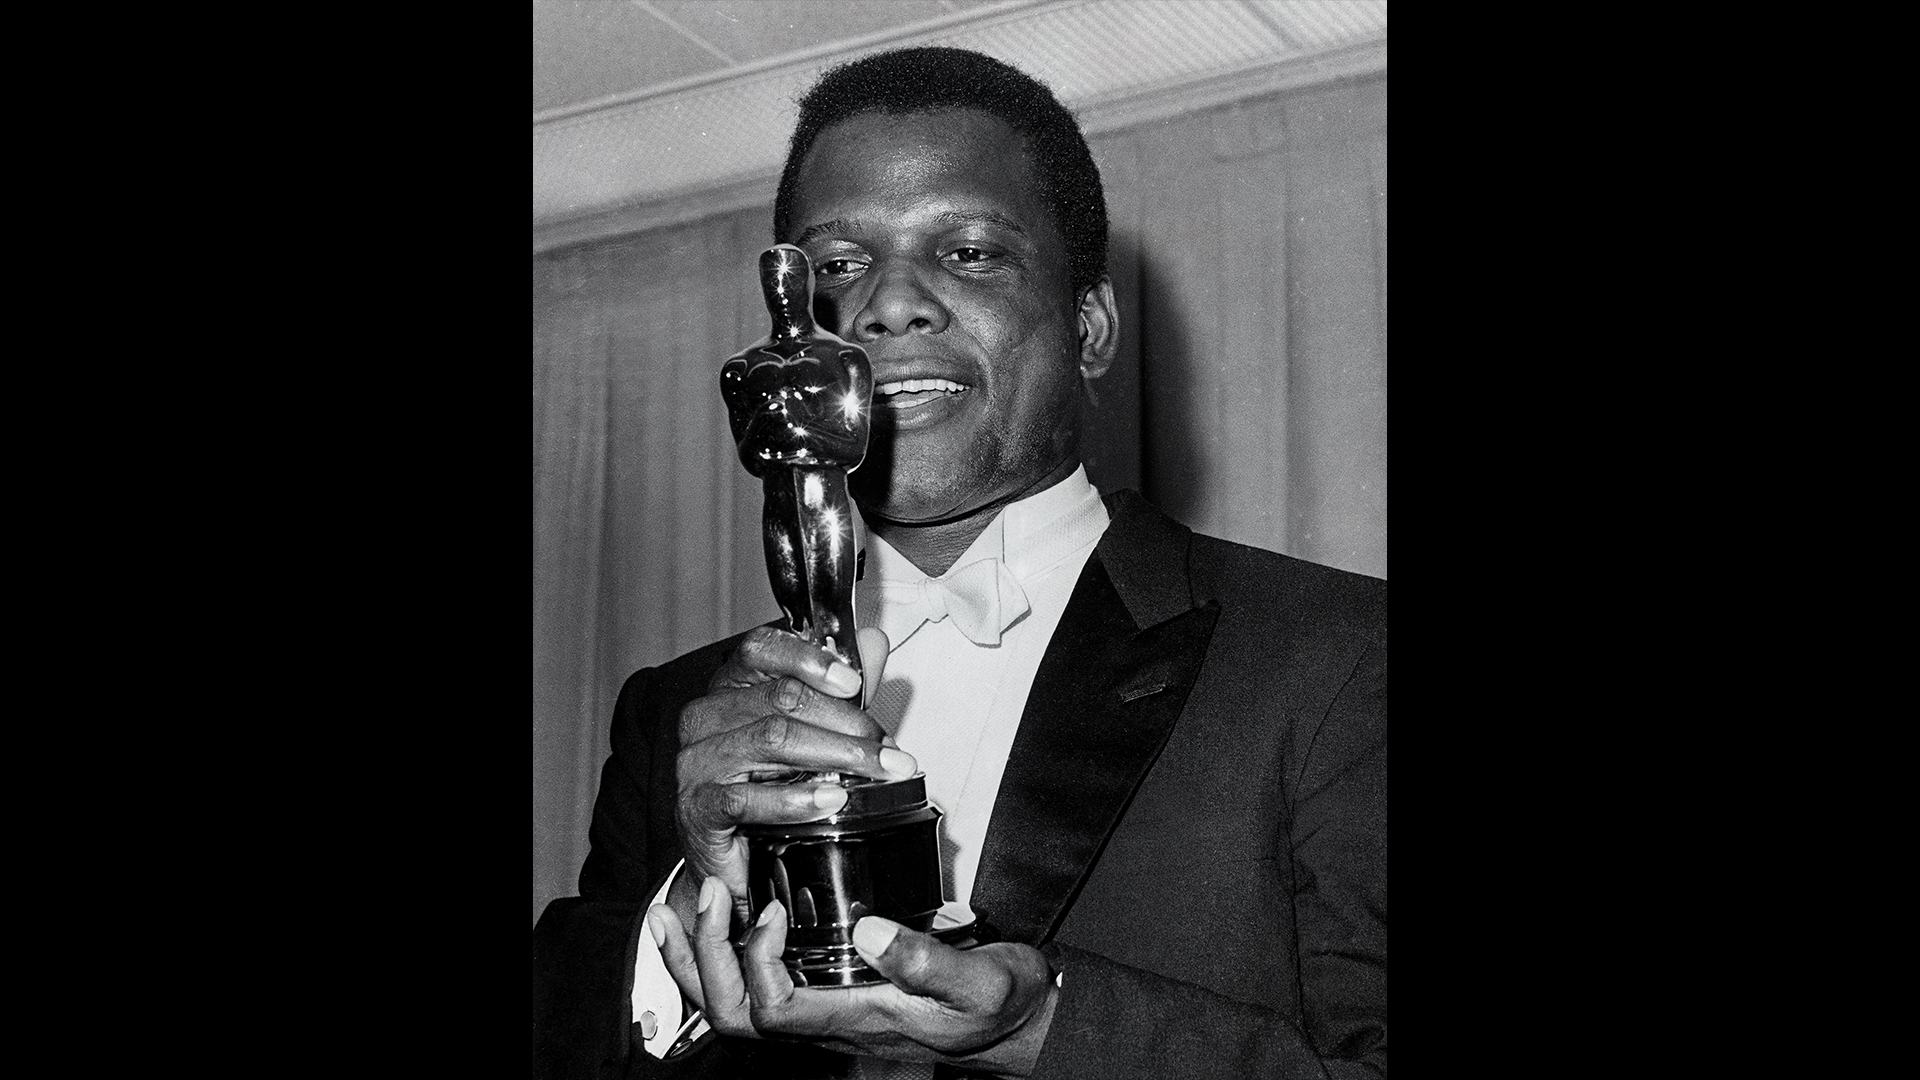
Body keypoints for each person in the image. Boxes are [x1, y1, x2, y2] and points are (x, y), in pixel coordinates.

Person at [534, 46, 1386, 1080]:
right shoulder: (675, 712)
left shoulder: (1340, 657)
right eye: (838, 265)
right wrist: (686, 911)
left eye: (973, 251)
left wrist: (1042, 1029)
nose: (889, 304)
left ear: (1091, 327)